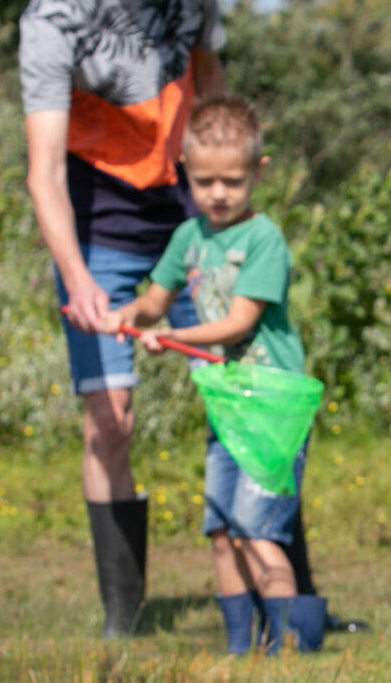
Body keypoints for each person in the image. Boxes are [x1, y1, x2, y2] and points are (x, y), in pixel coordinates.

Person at [19, 0, 348, 639]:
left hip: (187, 199)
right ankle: (122, 620)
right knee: (112, 419)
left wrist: (225, 194)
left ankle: (291, 604)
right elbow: (43, 174)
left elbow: (209, 80)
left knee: (251, 384)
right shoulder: (52, 17)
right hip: (99, 216)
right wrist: (78, 279)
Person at [106, 97, 326, 654]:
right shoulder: (189, 238)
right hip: (227, 407)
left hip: (271, 408)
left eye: (233, 180)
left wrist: (174, 340)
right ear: (185, 173)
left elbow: (239, 322)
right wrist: (129, 316)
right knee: (223, 529)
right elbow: (155, 301)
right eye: (205, 181)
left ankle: (288, 650)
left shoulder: (263, 238)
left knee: (258, 528)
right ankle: (238, 650)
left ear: (259, 172)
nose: (219, 193)